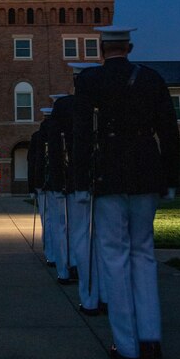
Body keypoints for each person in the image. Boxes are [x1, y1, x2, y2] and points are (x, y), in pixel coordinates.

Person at [73, 27, 180, 359]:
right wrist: (171, 178)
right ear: (130, 48)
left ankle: (127, 345)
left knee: (114, 257)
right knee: (144, 254)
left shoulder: (89, 81)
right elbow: (169, 132)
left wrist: (79, 181)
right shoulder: (151, 79)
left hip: (108, 173)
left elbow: (80, 135)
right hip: (147, 172)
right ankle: (151, 340)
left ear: (101, 51)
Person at [60, 63, 108, 314]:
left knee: (81, 234)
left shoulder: (77, 107)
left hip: (87, 180)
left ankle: (90, 296)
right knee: (111, 242)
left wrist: (77, 183)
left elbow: (79, 146)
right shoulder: (110, 100)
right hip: (107, 179)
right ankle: (106, 295)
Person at [35, 100, 75, 284]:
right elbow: (38, 162)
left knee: (56, 223)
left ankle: (64, 263)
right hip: (57, 184)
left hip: (60, 185)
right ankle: (64, 262)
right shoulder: (43, 136)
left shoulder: (68, 132)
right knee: (61, 224)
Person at [32, 108, 55, 266]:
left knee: (48, 220)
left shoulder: (37, 136)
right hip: (57, 185)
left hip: (46, 184)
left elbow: (32, 164)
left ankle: (51, 253)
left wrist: (34, 185)